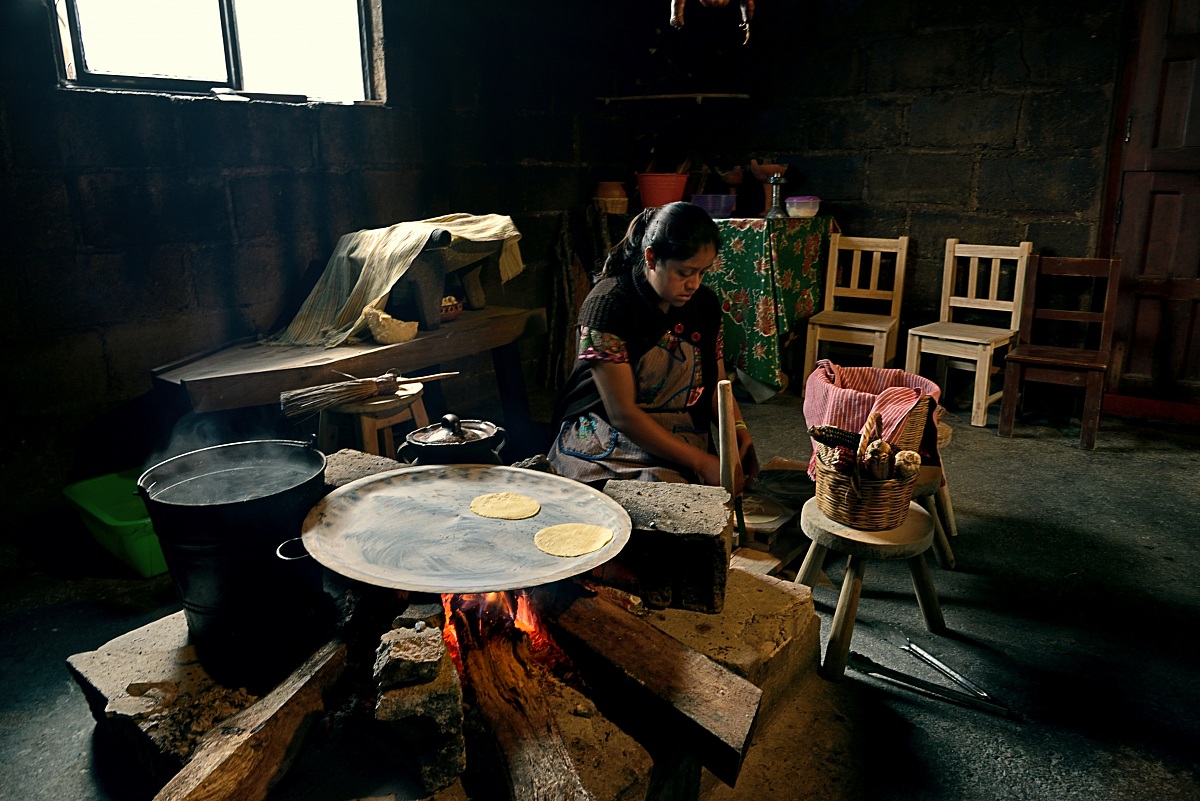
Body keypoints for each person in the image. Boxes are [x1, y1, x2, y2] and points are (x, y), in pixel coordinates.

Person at [547, 201, 759, 491]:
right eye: (684, 273)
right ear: (651, 257)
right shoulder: (608, 305)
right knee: (617, 499)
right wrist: (702, 462)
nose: (694, 284)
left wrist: (737, 429)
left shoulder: (704, 305)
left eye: (703, 272)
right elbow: (622, 413)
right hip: (607, 433)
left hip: (677, 427)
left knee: (681, 500)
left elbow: (715, 384)